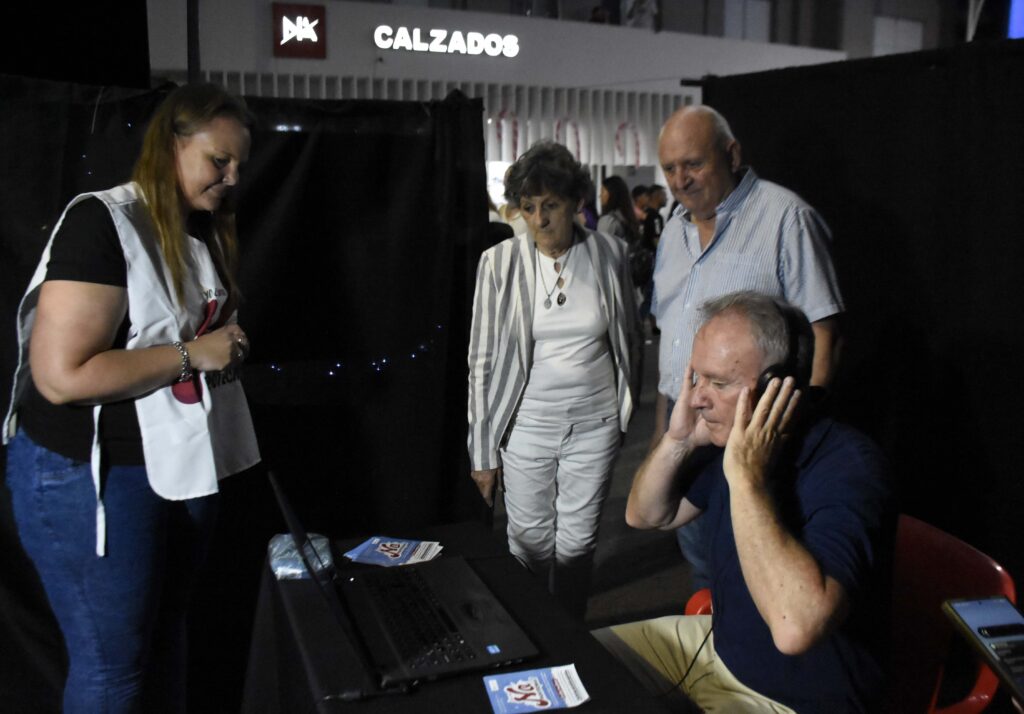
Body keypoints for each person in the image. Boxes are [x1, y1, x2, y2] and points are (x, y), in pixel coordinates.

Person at [2, 83, 260, 713]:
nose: (231, 177)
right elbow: (61, 376)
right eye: (218, 160)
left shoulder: (201, 230)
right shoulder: (103, 222)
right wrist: (194, 354)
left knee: (163, 645)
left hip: (175, 468)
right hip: (90, 475)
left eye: (239, 164)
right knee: (113, 669)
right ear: (171, 146)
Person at [596, 291, 894, 713]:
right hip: (716, 650)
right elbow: (645, 515)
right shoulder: (731, 437)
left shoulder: (849, 467)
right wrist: (679, 441)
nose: (697, 398)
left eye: (718, 383)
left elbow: (794, 630)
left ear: (776, 386)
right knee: (576, 660)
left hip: (795, 699)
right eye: (697, 378)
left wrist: (747, 479)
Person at [652, 104, 845, 590]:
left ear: (732, 154)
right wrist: (663, 434)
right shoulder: (672, 232)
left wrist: (793, 430)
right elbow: (671, 339)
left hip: (755, 423)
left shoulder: (786, 218)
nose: (680, 180)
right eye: (670, 168)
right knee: (703, 560)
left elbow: (825, 332)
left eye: (693, 164)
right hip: (688, 420)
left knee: (756, 566)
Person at [467, 141, 638, 617]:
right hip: (527, 427)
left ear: (575, 202)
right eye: (528, 207)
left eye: (550, 205)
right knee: (529, 544)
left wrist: (624, 413)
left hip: (595, 424)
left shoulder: (610, 253)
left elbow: (628, 337)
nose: (539, 220)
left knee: (578, 543)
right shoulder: (498, 263)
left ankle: (570, 635)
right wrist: (482, 453)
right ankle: (537, 632)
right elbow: (481, 361)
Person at [597, 175, 641, 244]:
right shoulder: (626, 216)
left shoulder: (608, 220)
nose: (600, 196)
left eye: (602, 191)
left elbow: (602, 245)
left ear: (612, 193)